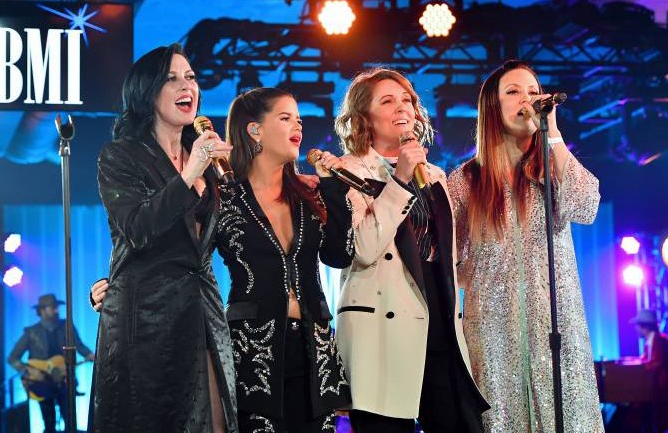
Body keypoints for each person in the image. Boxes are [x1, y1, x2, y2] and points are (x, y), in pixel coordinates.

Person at [446, 59, 603, 432]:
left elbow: (587, 205)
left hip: (557, 325)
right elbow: (449, 260)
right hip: (493, 332)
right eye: (513, 92)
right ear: (493, 107)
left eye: (533, 92)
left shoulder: (551, 168)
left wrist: (554, 137)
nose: (527, 99)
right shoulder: (467, 180)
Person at [89, 44, 237, 433]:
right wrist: (190, 175)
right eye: (171, 78)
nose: (186, 85)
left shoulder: (204, 157)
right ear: (146, 93)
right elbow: (136, 228)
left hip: (202, 307)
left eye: (190, 77)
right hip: (146, 318)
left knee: (217, 418)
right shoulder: (121, 156)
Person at [333, 67, 489, 433]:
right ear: (364, 117)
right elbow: (364, 248)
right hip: (383, 331)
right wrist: (399, 179)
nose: (402, 107)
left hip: (438, 326)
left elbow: (445, 255)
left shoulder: (434, 174)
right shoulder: (347, 170)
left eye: (407, 100)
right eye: (387, 101)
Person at [215, 87, 353, 432]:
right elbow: (183, 257)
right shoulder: (225, 197)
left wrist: (332, 187)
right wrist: (116, 281)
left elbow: (340, 255)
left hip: (314, 353)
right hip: (253, 355)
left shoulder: (309, 194)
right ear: (254, 129)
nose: (298, 126)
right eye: (285, 117)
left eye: (300, 120)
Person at [8, 293, 95, 433]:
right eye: (52, 307)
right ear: (42, 310)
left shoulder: (66, 326)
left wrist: (90, 355)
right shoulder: (31, 332)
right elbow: (12, 358)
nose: (56, 310)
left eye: (56, 307)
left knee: (70, 420)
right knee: (49, 423)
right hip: (42, 383)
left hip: (64, 379)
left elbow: (79, 345)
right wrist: (29, 371)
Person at [631, 309, 668, 433]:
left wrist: (640, 367)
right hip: (659, 394)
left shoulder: (660, 341)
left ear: (645, 326)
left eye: (637, 326)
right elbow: (647, 360)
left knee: (665, 426)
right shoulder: (651, 342)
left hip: (665, 394)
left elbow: (656, 363)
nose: (636, 329)